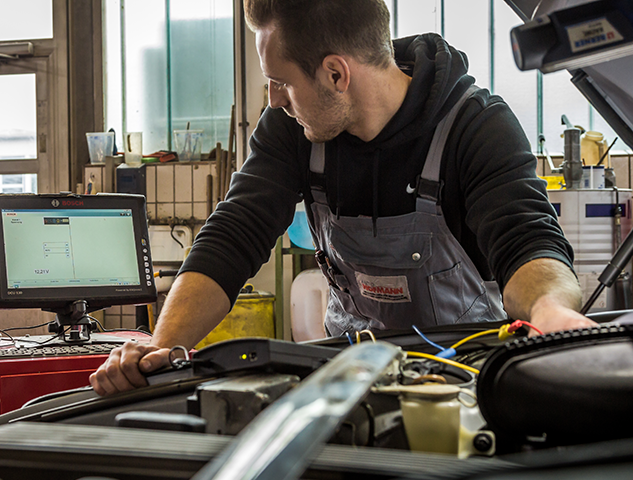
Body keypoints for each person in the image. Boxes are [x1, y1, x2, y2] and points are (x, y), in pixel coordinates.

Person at [90, 0, 596, 395]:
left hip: (466, 387)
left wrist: (552, 315)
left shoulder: (474, 125)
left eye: (280, 82)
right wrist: (160, 346)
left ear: (336, 74)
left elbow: (528, 242)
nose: (273, 100)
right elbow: (233, 234)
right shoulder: (291, 131)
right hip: (348, 384)